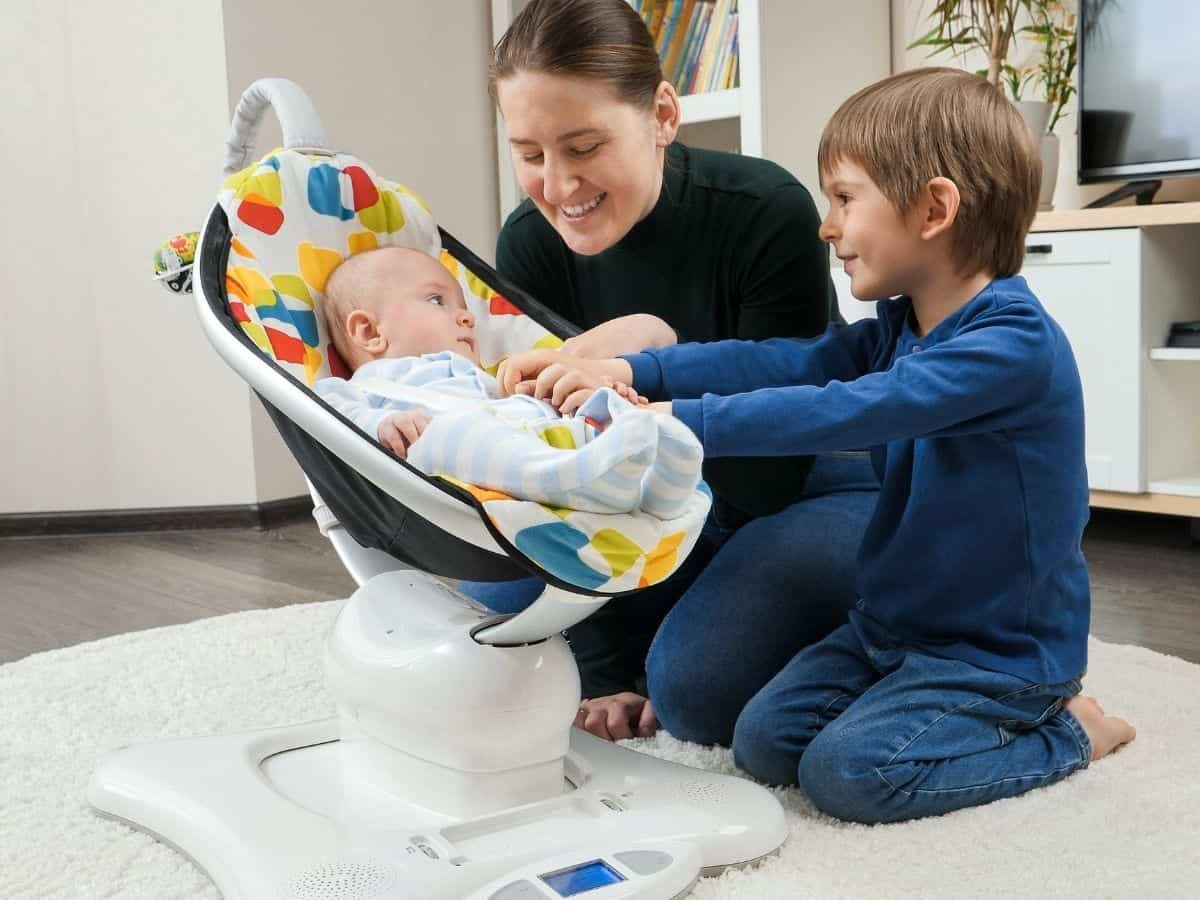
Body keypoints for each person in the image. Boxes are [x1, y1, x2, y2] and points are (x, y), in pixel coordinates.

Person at [498, 67, 1135, 824]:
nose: (828, 226)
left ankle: (1068, 733)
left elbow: (849, 410)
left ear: (934, 208)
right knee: (763, 745)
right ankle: (910, 702)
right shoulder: (901, 326)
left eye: (844, 198)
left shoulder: (1009, 344)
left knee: (850, 778)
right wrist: (635, 368)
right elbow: (787, 358)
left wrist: (672, 419)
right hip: (893, 628)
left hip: (995, 652)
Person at [473, 0, 880, 741]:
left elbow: (767, 478)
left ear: (662, 115)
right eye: (530, 155)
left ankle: (886, 650)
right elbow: (548, 468)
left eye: (584, 146)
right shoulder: (530, 244)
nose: (559, 187)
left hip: (799, 484)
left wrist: (643, 363)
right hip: (649, 500)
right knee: (480, 587)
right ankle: (656, 625)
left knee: (696, 692)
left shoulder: (764, 212)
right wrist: (594, 672)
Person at [314, 246, 702, 517]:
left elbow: (528, 410)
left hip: (536, 439)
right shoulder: (366, 386)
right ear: (369, 331)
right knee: (456, 432)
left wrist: (569, 398)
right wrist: (381, 426)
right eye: (437, 301)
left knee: (594, 404)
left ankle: (656, 481)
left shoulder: (485, 377)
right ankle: (591, 480)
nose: (467, 318)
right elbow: (328, 416)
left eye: (466, 308)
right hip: (449, 467)